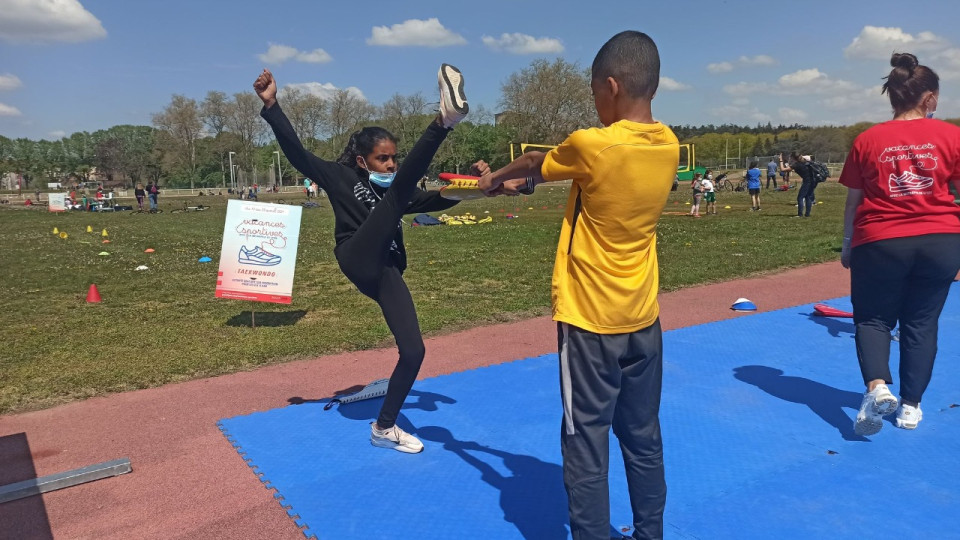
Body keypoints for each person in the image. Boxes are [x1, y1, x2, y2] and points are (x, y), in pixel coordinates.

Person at [256, 65, 525, 453]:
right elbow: (297, 154)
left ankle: (384, 428)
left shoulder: (399, 189)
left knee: (415, 351)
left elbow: (440, 198)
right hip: (355, 254)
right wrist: (272, 106)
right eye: (383, 159)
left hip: (384, 269)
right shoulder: (338, 176)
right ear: (363, 161)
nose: (391, 165)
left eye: (395, 158)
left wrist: (487, 187)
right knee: (399, 196)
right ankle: (444, 122)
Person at [479, 30, 677, 540]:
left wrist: (491, 177)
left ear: (610, 86)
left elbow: (531, 164)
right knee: (642, 436)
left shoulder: (593, 144)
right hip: (643, 318)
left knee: (585, 440)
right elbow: (559, 174)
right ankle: (650, 533)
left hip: (590, 322)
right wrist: (520, 179)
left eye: (593, 92)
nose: (594, 103)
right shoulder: (669, 143)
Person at [839, 52, 960, 436]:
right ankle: (911, 407)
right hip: (941, 240)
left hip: (880, 241)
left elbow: (854, 200)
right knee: (921, 323)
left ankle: (878, 387)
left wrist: (846, 242)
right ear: (930, 99)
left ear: (891, 95)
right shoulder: (952, 136)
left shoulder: (868, 140)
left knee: (874, 319)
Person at [782, 152, 814, 217]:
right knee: (808, 197)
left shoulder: (797, 164)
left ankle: (800, 214)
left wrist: (780, 160)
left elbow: (783, 169)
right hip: (812, 180)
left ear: (794, 158)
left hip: (807, 181)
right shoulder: (806, 162)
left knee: (800, 197)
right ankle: (807, 214)